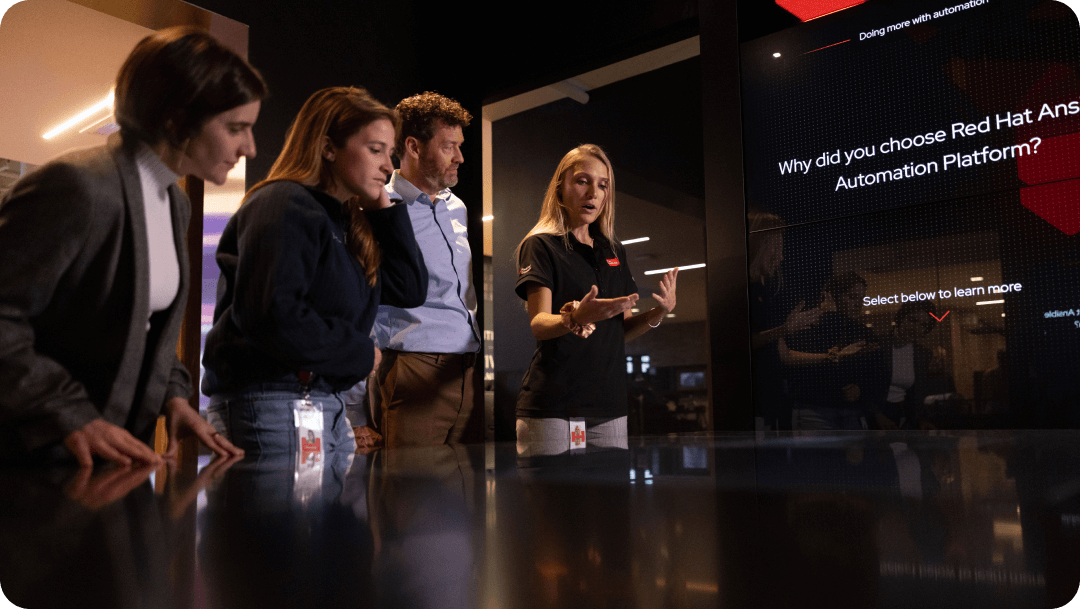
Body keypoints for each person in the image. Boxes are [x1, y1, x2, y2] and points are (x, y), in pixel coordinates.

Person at [0, 27, 262, 468]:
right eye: (236, 128)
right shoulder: (77, 184)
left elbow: (143, 330)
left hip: (110, 458)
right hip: (35, 457)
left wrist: (175, 397)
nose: (249, 148)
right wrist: (70, 414)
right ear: (176, 120)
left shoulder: (174, 202)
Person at [202, 87, 428, 454]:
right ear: (328, 147)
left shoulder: (345, 222)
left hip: (322, 402)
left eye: (390, 153)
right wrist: (359, 353)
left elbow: (409, 289)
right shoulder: (282, 202)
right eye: (375, 150)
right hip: (271, 399)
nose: (389, 167)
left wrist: (381, 207)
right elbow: (272, 317)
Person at [514, 144, 678, 444]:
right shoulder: (541, 245)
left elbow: (621, 330)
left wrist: (659, 312)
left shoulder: (614, 251)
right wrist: (573, 318)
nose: (593, 193)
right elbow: (538, 323)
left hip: (610, 407)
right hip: (553, 404)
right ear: (560, 188)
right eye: (582, 181)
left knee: (611, 492)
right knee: (551, 493)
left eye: (603, 185)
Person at [370, 91, 483, 448]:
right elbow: (366, 299)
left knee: (464, 497)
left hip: (465, 371)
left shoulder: (458, 207)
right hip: (413, 368)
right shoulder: (381, 207)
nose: (461, 158)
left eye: (460, 145)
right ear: (414, 147)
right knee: (412, 496)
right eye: (449, 146)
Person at [746, 210, 822, 430]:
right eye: (776, 248)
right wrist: (783, 330)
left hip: (776, 396)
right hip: (756, 400)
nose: (780, 257)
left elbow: (783, 354)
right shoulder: (745, 290)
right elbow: (740, 343)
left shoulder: (766, 292)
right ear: (760, 245)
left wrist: (831, 355)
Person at [781, 271, 876, 430]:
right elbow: (799, 364)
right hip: (813, 408)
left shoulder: (859, 330)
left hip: (850, 410)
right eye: (852, 297)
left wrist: (859, 388)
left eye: (861, 299)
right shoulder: (808, 323)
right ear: (832, 297)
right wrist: (831, 317)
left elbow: (872, 370)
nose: (858, 304)